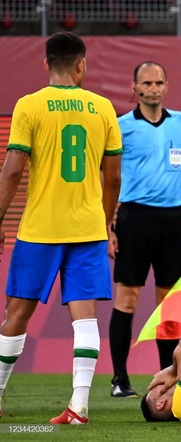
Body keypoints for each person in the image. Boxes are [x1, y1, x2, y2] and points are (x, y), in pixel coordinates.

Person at [0, 32, 122, 424]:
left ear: (46, 64)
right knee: (85, 318)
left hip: (40, 228)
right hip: (88, 229)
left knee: (17, 312)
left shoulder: (29, 106)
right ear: (81, 65)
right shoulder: (103, 108)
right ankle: (80, 405)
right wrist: (104, 219)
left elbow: (14, 169)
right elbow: (113, 176)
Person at [108, 61, 181, 398]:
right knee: (128, 297)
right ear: (134, 89)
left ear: (167, 86)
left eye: (159, 82)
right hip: (134, 218)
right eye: (146, 83)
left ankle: (169, 377)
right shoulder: (121, 127)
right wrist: (109, 225)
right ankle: (120, 379)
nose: (153, 88)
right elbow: (108, 178)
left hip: (173, 220)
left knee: (170, 304)